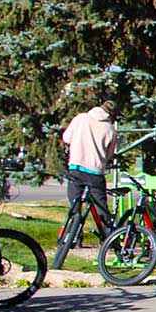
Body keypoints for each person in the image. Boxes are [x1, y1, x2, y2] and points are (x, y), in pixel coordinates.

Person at [61, 98, 118, 242]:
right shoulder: (110, 129)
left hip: (76, 167)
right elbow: (110, 154)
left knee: (75, 204)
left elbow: (66, 138)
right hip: (95, 171)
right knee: (101, 207)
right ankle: (108, 239)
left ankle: (74, 237)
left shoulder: (80, 118)